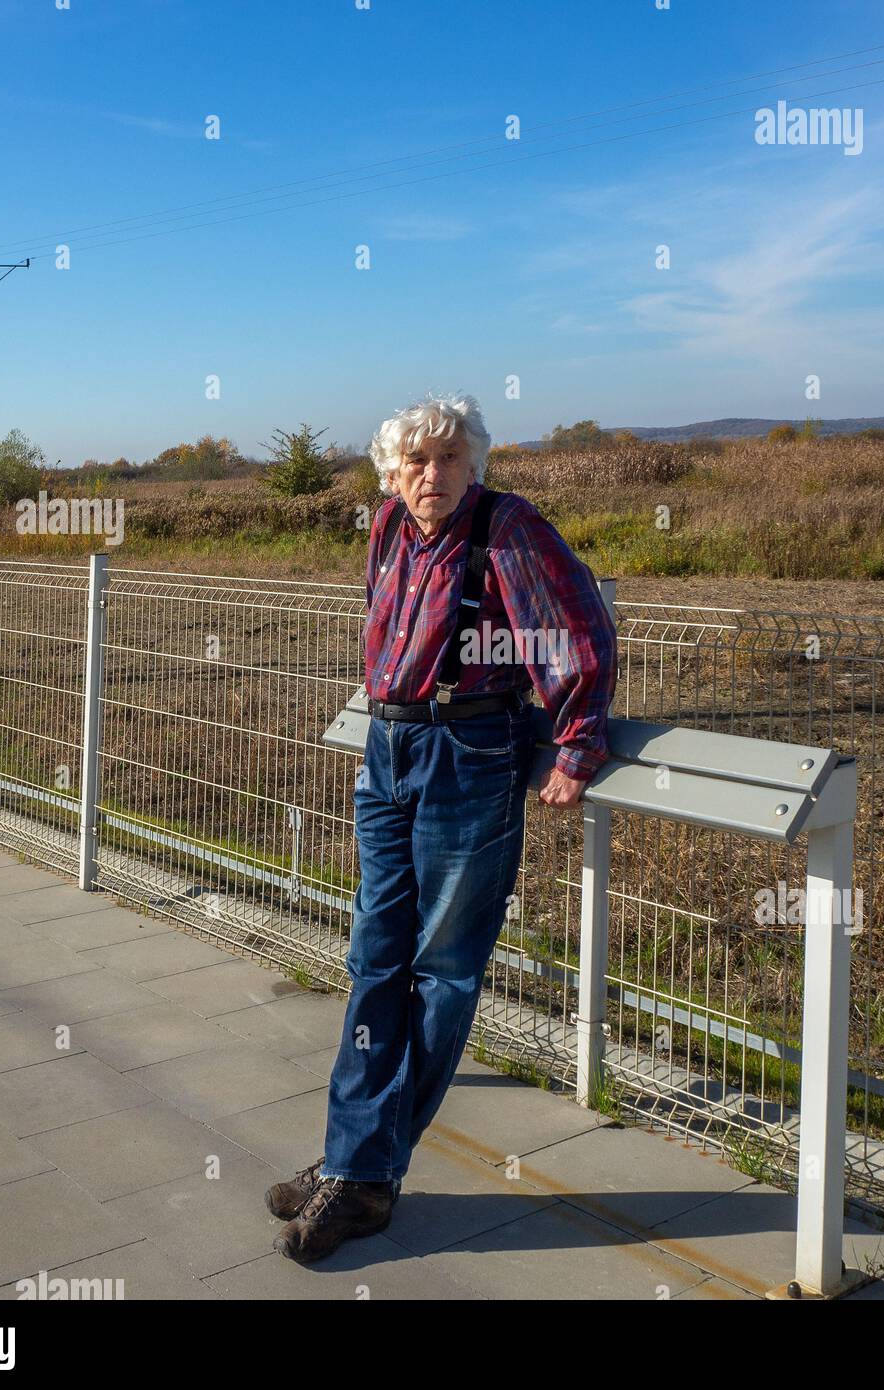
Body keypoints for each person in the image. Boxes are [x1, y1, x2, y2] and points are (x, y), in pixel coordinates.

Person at [267, 391, 618, 1264]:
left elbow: (577, 633)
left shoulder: (508, 528)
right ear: (392, 471)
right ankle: (356, 1159)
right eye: (416, 462)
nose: (432, 475)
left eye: (450, 459)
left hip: (470, 752)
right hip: (388, 747)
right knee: (372, 960)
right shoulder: (388, 525)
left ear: (474, 465)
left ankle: (361, 1174)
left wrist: (574, 746)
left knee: (443, 970)